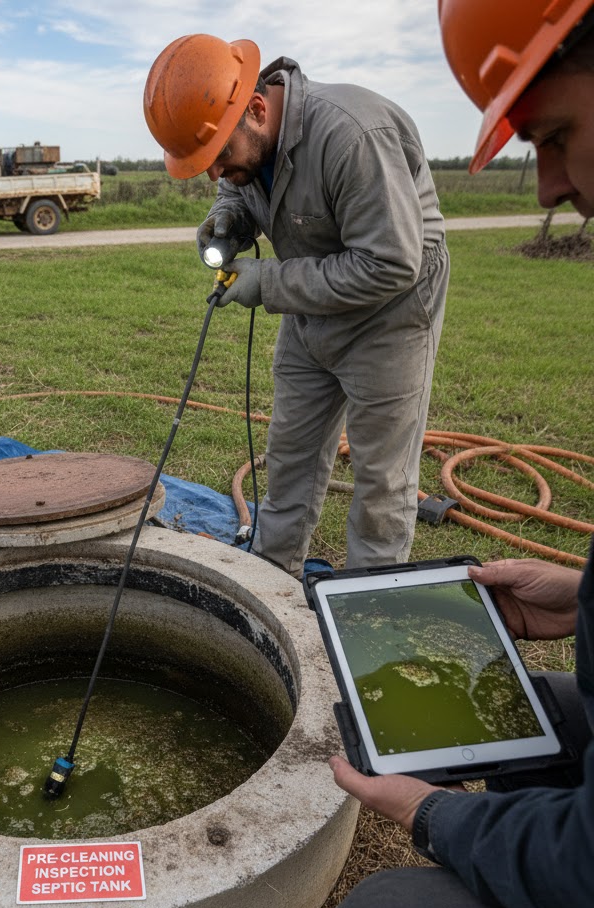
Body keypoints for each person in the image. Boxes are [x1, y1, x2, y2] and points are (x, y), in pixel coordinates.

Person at [327, 1, 594, 908]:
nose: (550, 187)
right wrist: (581, 593)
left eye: (555, 135)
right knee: (513, 719)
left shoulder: (347, 135)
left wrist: (438, 821)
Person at [143, 35, 450, 575]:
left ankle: (362, 614)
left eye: (219, 159)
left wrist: (268, 282)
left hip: (390, 314)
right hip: (310, 306)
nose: (215, 174)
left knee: (382, 483)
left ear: (258, 109)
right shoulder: (252, 142)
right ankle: (271, 588)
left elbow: (391, 263)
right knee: (290, 457)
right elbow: (243, 183)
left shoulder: (352, 134)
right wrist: (230, 216)